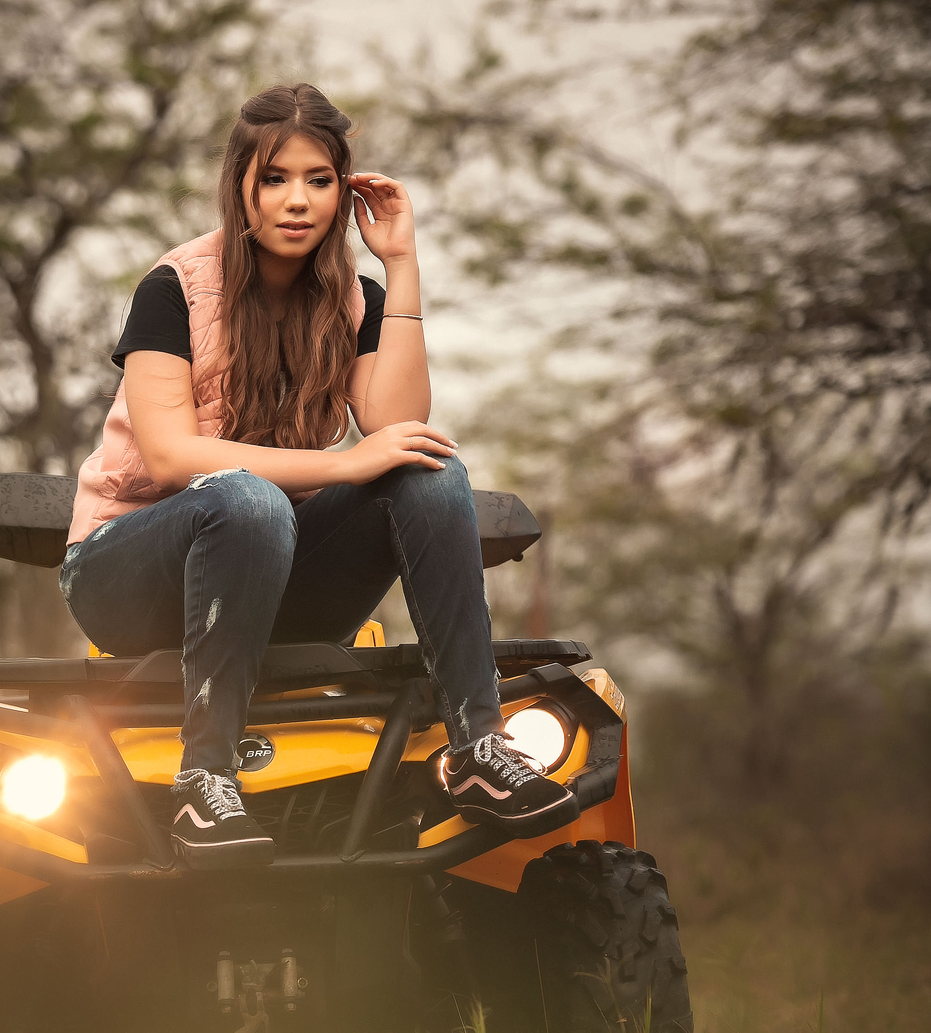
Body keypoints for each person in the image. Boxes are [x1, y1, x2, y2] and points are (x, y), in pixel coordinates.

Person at [60, 83, 567, 867]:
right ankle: (205, 779)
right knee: (247, 499)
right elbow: (170, 457)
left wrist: (399, 263)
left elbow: (397, 427)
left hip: (271, 577)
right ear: (240, 188)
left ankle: (476, 747)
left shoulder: (351, 299)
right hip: (130, 576)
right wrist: (339, 464)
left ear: (343, 190)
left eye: (319, 181)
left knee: (428, 470)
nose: (297, 201)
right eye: (275, 178)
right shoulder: (174, 290)